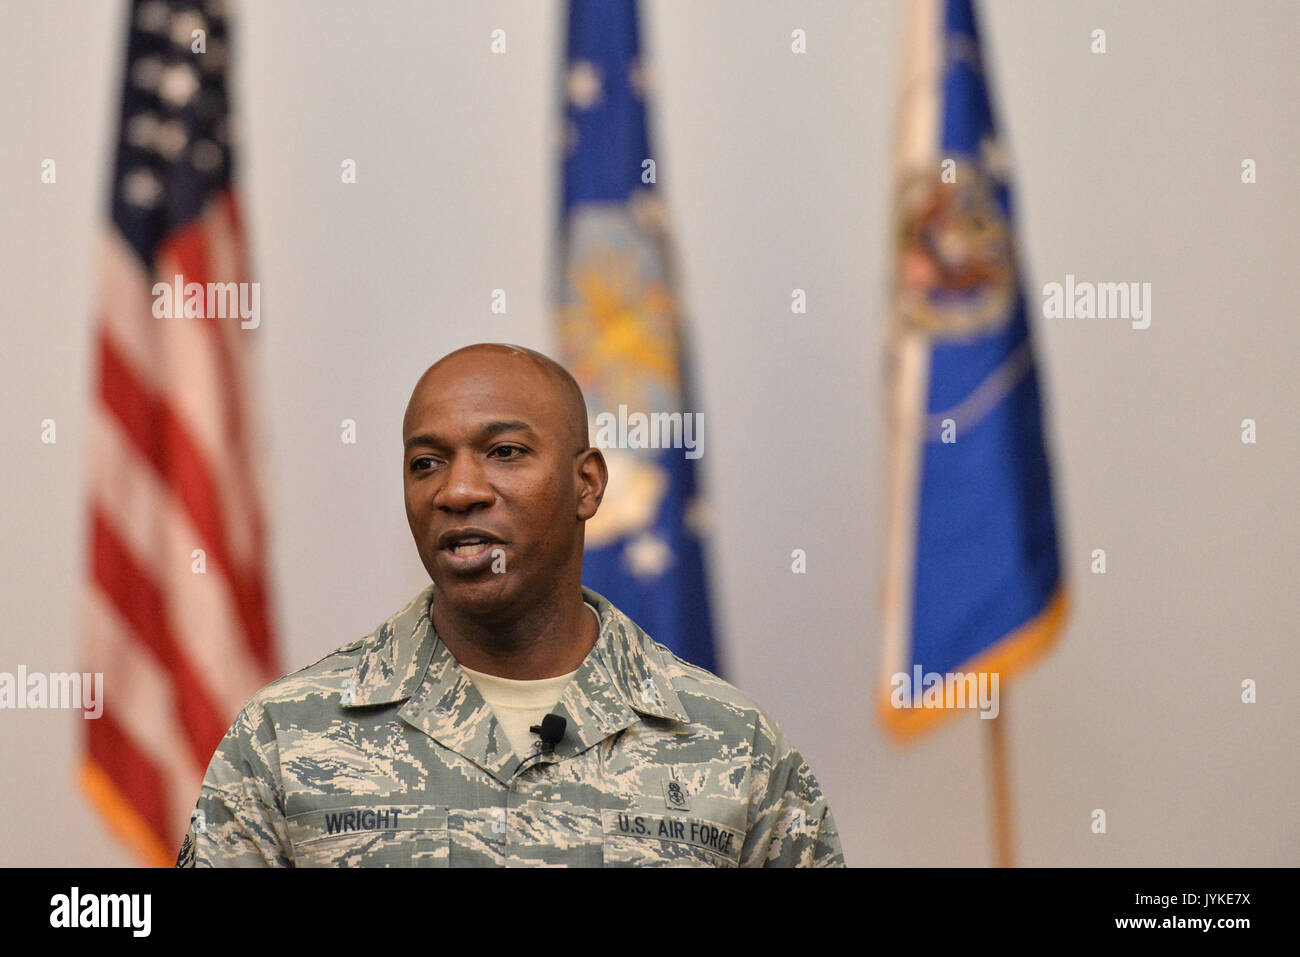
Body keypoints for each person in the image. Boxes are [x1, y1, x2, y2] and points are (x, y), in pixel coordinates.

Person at [177, 343, 844, 867]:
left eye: (504, 452)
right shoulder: (284, 740)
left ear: (587, 484)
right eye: (427, 462)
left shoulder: (733, 746)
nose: (458, 489)